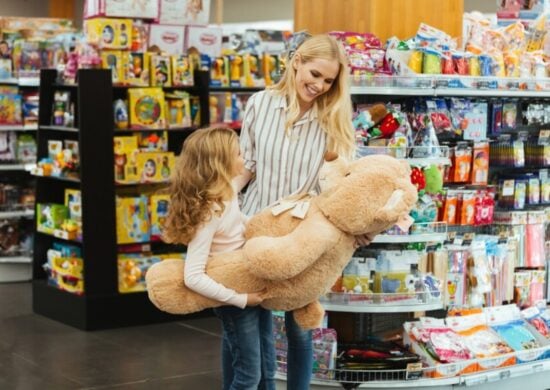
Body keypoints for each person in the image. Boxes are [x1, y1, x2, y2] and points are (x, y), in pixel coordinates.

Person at [234, 34, 369, 389]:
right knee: (246, 324)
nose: (320, 85)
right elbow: (246, 165)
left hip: (306, 235)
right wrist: (220, 206)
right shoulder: (260, 104)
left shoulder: (334, 118)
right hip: (255, 226)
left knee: (301, 327)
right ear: (296, 61)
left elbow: (344, 182)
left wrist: (358, 225)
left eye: (328, 81)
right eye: (315, 74)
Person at [163, 127, 275, 390]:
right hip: (236, 299)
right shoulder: (210, 210)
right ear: (220, 163)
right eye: (238, 153)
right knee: (248, 374)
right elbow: (193, 276)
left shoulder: (227, 193)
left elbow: (237, 217)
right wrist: (240, 300)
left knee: (267, 369)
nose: (244, 159)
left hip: (253, 288)